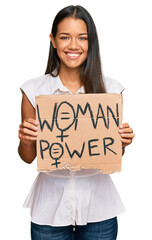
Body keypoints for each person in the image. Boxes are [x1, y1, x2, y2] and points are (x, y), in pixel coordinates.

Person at [18, 5, 135, 240]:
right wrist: (26, 140)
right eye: (65, 37)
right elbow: (28, 157)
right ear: (53, 41)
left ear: (91, 42)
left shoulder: (111, 90)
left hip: (99, 207)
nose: (73, 45)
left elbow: (110, 158)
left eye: (82, 37)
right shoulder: (33, 91)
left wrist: (121, 144)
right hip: (49, 207)